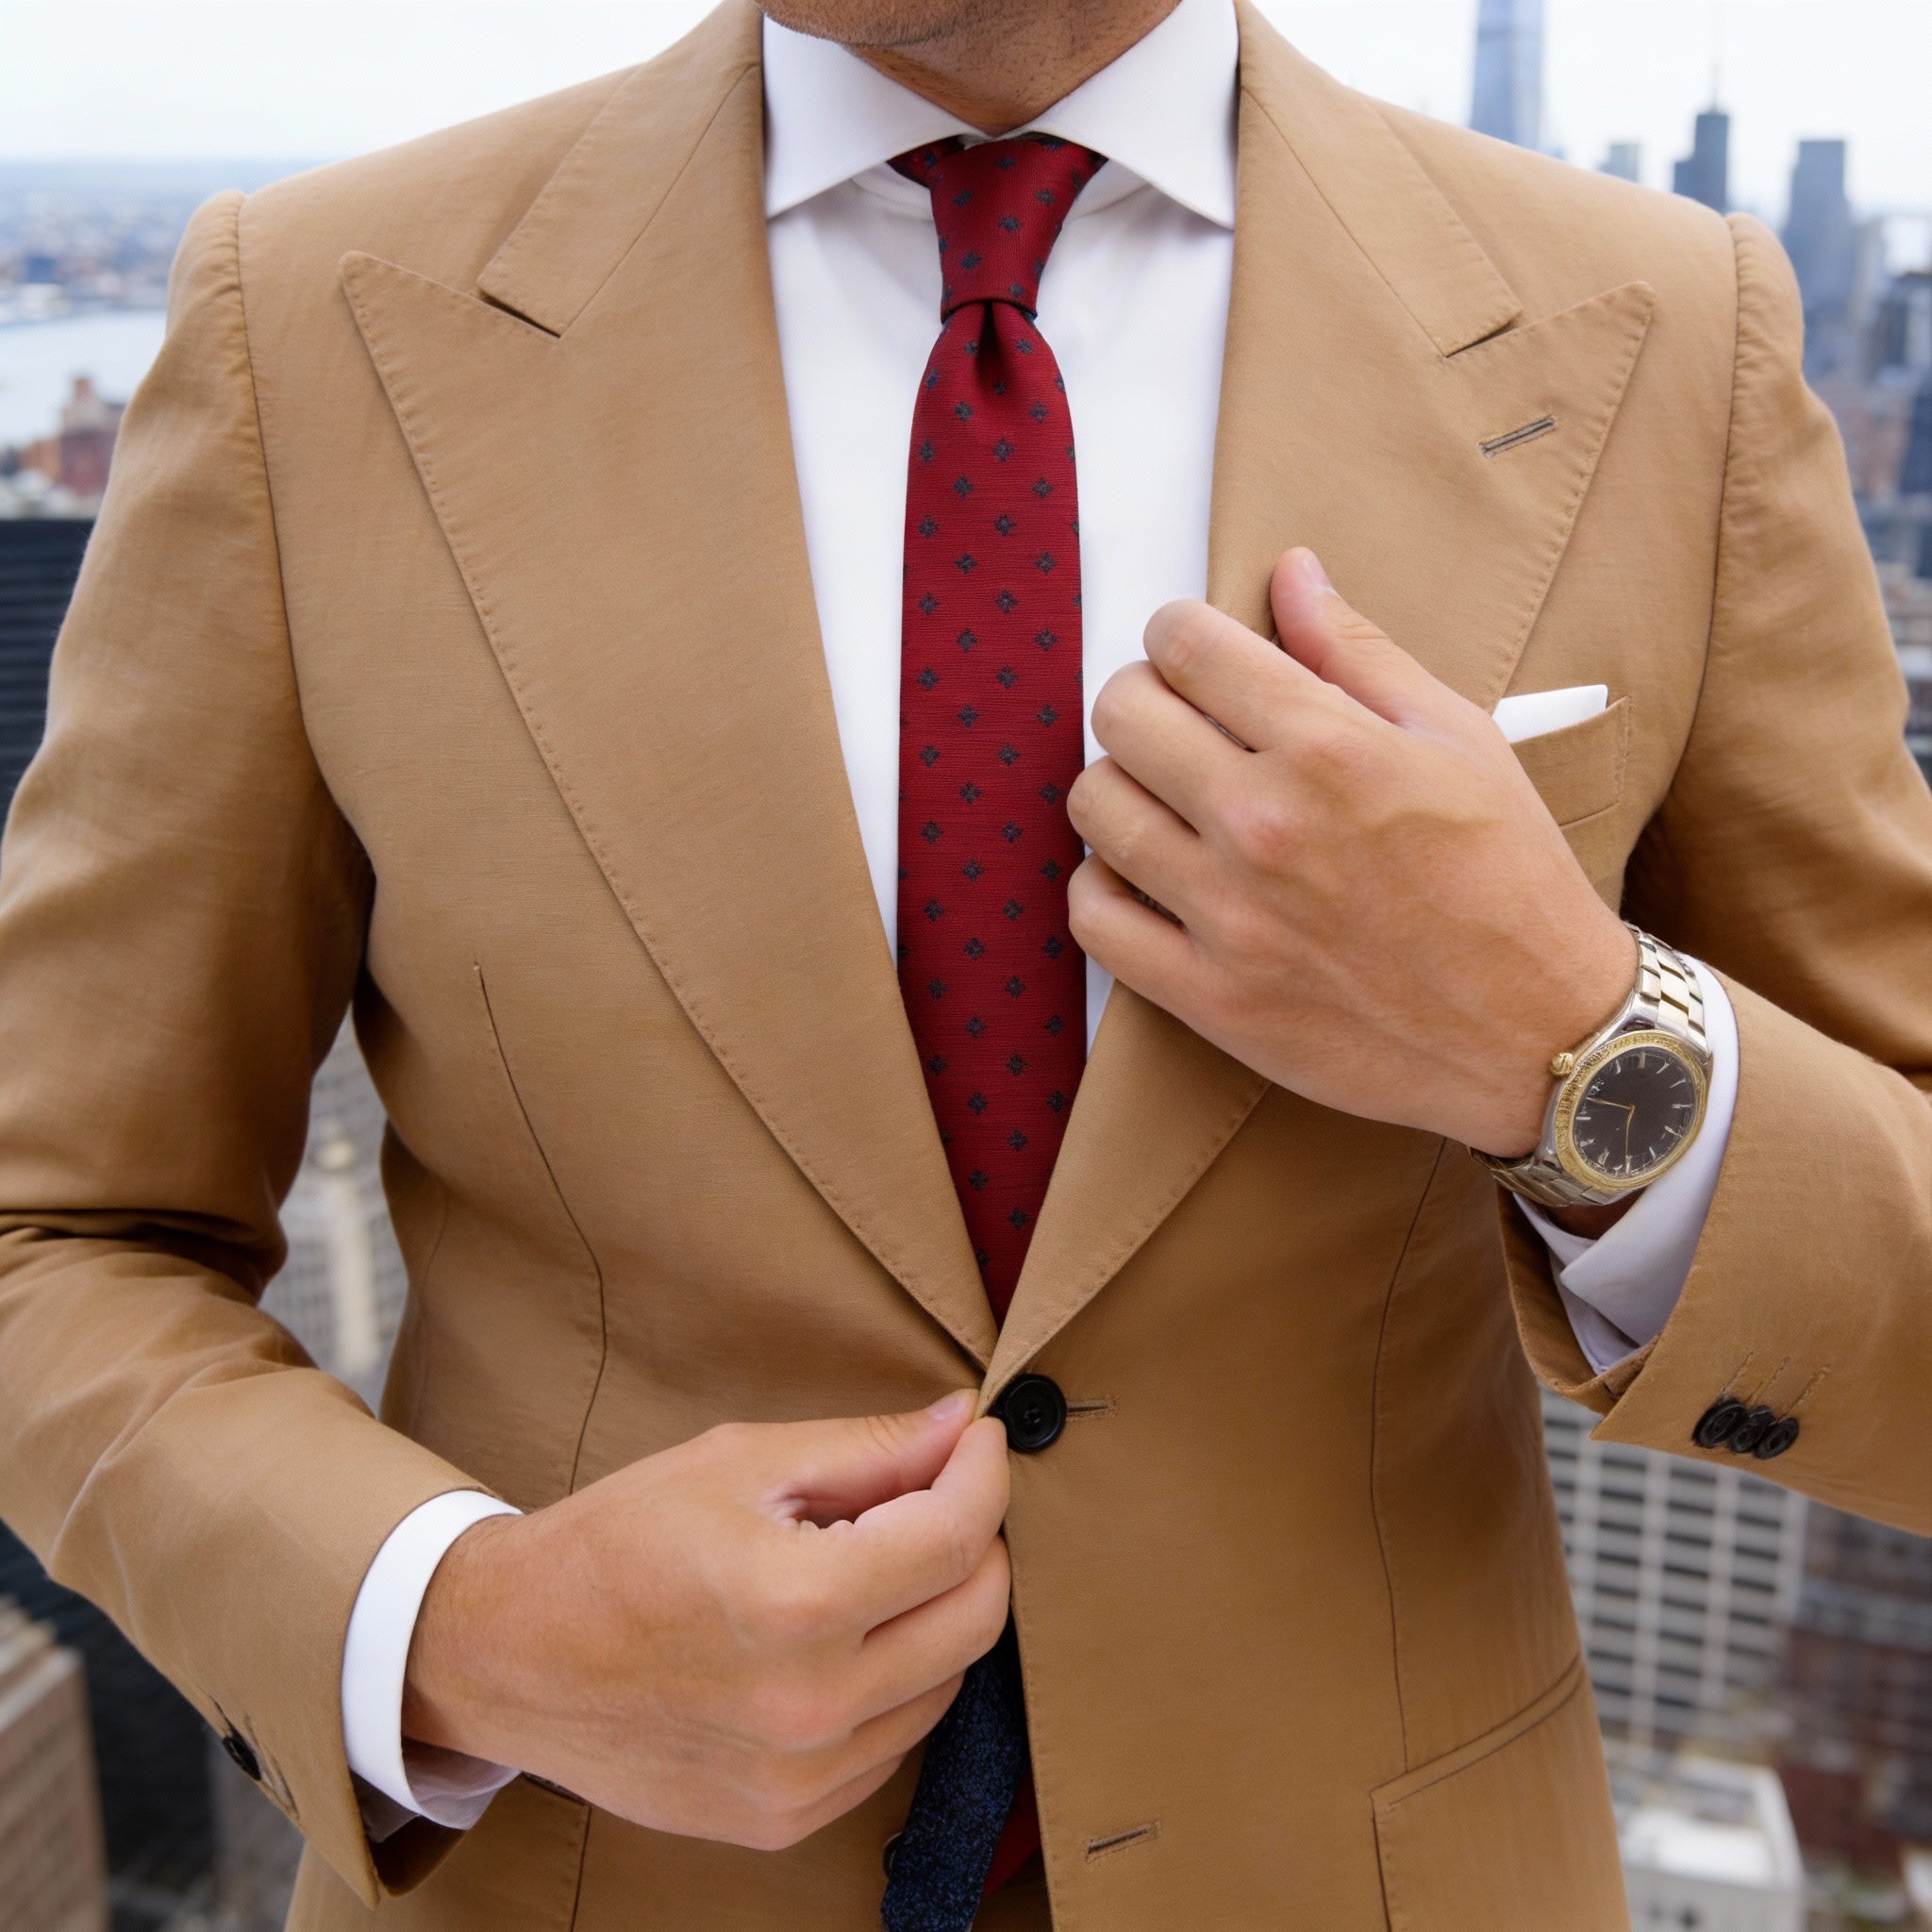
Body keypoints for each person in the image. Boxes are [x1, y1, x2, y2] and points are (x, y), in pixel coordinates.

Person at [0, 0, 1926, 1925]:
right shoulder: (309, 317)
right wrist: (457, 1624)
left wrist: (1574, 1045)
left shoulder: (1670, 333)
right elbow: (50, 1234)